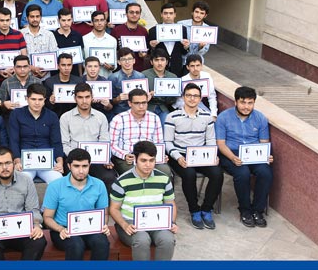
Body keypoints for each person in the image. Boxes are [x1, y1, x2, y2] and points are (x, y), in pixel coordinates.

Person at [165, 83, 222, 230]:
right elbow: (167, 142)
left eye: (195, 96)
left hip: (200, 154)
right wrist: (178, 157)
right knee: (189, 174)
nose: (192, 98)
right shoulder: (172, 116)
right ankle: (194, 210)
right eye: (189, 95)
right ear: (183, 97)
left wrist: (212, 154)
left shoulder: (207, 116)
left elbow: (210, 139)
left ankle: (206, 209)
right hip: (180, 153)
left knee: (217, 174)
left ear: (200, 98)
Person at [216, 86, 274, 228]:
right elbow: (221, 144)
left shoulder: (260, 118)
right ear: (235, 102)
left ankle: (257, 211)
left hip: (253, 153)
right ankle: (245, 210)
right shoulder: (223, 117)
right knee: (243, 173)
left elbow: (264, 142)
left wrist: (266, 156)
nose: (246, 107)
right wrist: (232, 158)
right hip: (230, 153)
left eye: (250, 103)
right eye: (243, 102)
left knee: (265, 173)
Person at [109, 141, 178, 261]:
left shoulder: (164, 179)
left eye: (151, 160)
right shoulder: (122, 181)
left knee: (168, 240)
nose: (148, 165)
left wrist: (172, 222)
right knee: (142, 240)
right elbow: (114, 208)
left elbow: (171, 203)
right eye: (143, 160)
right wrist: (124, 225)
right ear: (135, 159)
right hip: (130, 222)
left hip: (156, 222)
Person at [0, 146, 46, 260]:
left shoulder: (26, 180)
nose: (4, 168)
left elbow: (33, 209)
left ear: (14, 163)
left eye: (8, 163)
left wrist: (36, 225)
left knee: (39, 241)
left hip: (21, 226)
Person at [42, 148, 111, 260]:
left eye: (85, 166)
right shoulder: (55, 186)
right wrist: (60, 229)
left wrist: (103, 225)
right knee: (76, 245)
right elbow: (47, 217)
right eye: (76, 166)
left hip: (89, 228)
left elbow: (105, 214)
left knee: (102, 243)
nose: (81, 171)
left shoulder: (99, 185)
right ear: (69, 166)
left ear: (89, 166)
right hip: (63, 229)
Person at [59, 83, 116, 192]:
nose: (84, 101)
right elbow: (65, 144)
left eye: (87, 97)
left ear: (92, 97)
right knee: (73, 179)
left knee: (109, 177)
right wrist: (75, 158)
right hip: (74, 159)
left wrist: (105, 158)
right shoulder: (65, 118)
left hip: (96, 160)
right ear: (75, 98)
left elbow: (105, 141)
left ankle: (105, 203)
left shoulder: (101, 117)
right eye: (80, 97)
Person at [8, 83, 65, 184]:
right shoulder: (16, 114)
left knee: (58, 180)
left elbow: (56, 141)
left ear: (44, 100)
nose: (37, 103)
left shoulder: (52, 116)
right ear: (27, 99)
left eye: (40, 99)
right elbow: (14, 140)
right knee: (21, 181)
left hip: (47, 160)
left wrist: (60, 162)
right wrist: (17, 161)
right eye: (33, 99)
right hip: (25, 160)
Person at [109, 88, 169, 176]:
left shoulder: (154, 118)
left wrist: (161, 154)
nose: (141, 106)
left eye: (144, 103)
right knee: (134, 174)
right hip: (129, 157)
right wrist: (124, 155)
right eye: (137, 103)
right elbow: (112, 145)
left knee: (165, 172)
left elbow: (158, 142)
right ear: (130, 103)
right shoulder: (118, 119)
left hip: (149, 156)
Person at [0, 7, 27, 86]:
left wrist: (15, 69)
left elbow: (24, 57)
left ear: (11, 20)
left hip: (16, 77)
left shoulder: (19, 35)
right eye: (2, 20)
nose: (5, 23)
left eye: (7, 20)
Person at [148, 2, 189, 77]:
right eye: (165, 13)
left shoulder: (182, 29)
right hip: (159, 67)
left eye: (171, 13)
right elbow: (151, 52)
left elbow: (183, 52)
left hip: (176, 66)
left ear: (175, 15)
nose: (168, 16)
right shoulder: (153, 30)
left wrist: (186, 47)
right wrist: (152, 46)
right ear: (161, 14)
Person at [21, 4, 58, 80]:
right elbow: (18, 56)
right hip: (25, 77)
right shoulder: (20, 34)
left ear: (41, 18)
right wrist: (31, 68)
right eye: (32, 17)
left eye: (37, 16)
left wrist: (45, 71)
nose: (35, 19)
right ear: (27, 18)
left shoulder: (49, 34)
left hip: (45, 77)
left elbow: (54, 55)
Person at [175, 54, 218, 119]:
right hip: (185, 107)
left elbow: (212, 96)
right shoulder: (183, 80)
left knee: (209, 119)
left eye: (198, 65)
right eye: (192, 66)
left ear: (201, 66)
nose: (195, 69)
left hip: (200, 105)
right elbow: (179, 101)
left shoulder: (207, 76)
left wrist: (213, 114)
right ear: (187, 67)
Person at [111, 2, 150, 72]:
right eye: (131, 12)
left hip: (139, 70)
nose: (134, 14)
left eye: (137, 12)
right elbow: (112, 51)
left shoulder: (143, 31)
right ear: (126, 14)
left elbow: (147, 51)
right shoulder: (116, 30)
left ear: (140, 15)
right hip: (120, 71)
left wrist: (144, 55)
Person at [143, 50, 179, 126]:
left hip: (163, 107)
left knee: (166, 125)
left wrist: (169, 94)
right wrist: (147, 95)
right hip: (148, 107)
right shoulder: (144, 75)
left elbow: (172, 100)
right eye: (156, 60)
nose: (159, 63)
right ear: (151, 62)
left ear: (167, 62)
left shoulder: (172, 77)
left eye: (162, 60)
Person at [109, 47, 147, 115]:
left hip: (138, 111)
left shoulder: (141, 76)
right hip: (120, 112)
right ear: (119, 62)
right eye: (123, 59)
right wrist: (118, 99)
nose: (127, 62)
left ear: (134, 61)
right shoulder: (113, 78)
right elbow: (110, 102)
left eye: (129, 59)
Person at [82, 10, 117, 78]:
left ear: (105, 22)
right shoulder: (84, 39)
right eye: (96, 20)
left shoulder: (112, 40)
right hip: (88, 79)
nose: (99, 23)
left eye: (102, 20)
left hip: (107, 78)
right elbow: (81, 61)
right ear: (92, 23)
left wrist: (111, 67)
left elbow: (114, 64)